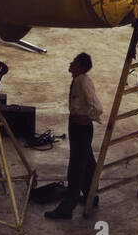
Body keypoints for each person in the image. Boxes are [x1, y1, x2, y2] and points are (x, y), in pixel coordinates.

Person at [45, 53, 105, 219]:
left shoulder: (84, 82)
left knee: (76, 167)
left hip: (81, 127)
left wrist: (87, 117)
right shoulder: (77, 80)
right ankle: (91, 196)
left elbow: (98, 107)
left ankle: (67, 208)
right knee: (87, 162)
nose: (70, 64)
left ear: (81, 67)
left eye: (74, 62)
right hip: (76, 124)